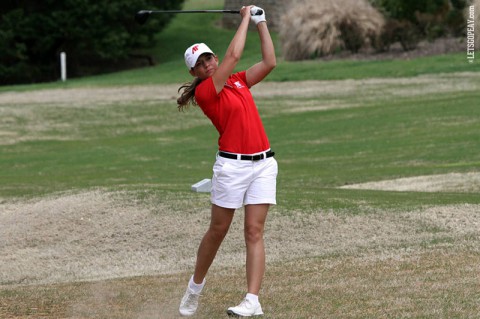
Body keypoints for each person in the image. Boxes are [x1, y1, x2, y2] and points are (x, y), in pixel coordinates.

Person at [177, 5, 277, 317]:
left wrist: (260, 23)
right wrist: (245, 16)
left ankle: (252, 300)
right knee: (218, 230)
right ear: (194, 72)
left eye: (208, 58)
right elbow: (233, 56)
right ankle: (195, 286)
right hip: (231, 167)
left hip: (263, 164)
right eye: (200, 63)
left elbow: (270, 62)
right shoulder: (208, 91)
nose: (207, 63)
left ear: (213, 59)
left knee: (254, 231)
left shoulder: (238, 81)